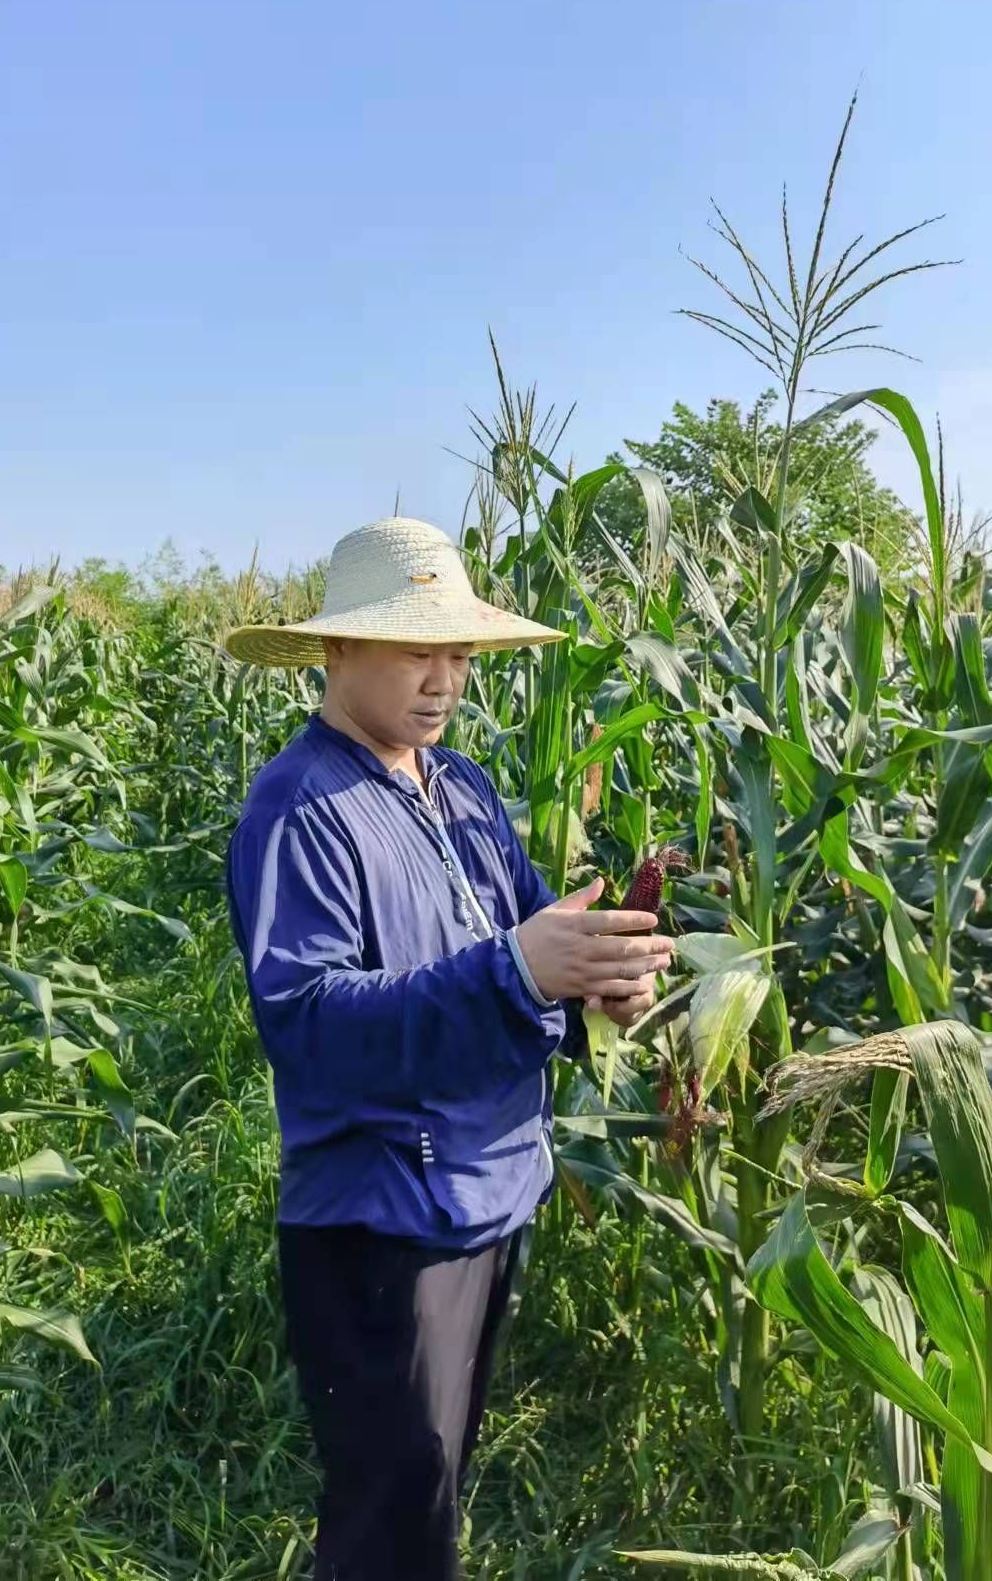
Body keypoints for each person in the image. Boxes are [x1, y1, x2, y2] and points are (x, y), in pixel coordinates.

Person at [222, 515, 673, 1581]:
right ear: (337, 648)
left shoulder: (459, 786)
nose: (444, 680)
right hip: (381, 1224)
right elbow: (308, 1022)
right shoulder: (300, 809)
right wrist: (519, 970)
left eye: (459, 652)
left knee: (431, 1493)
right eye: (416, 649)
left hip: (490, 1191)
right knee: (394, 1522)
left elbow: (531, 946)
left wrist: (599, 985)